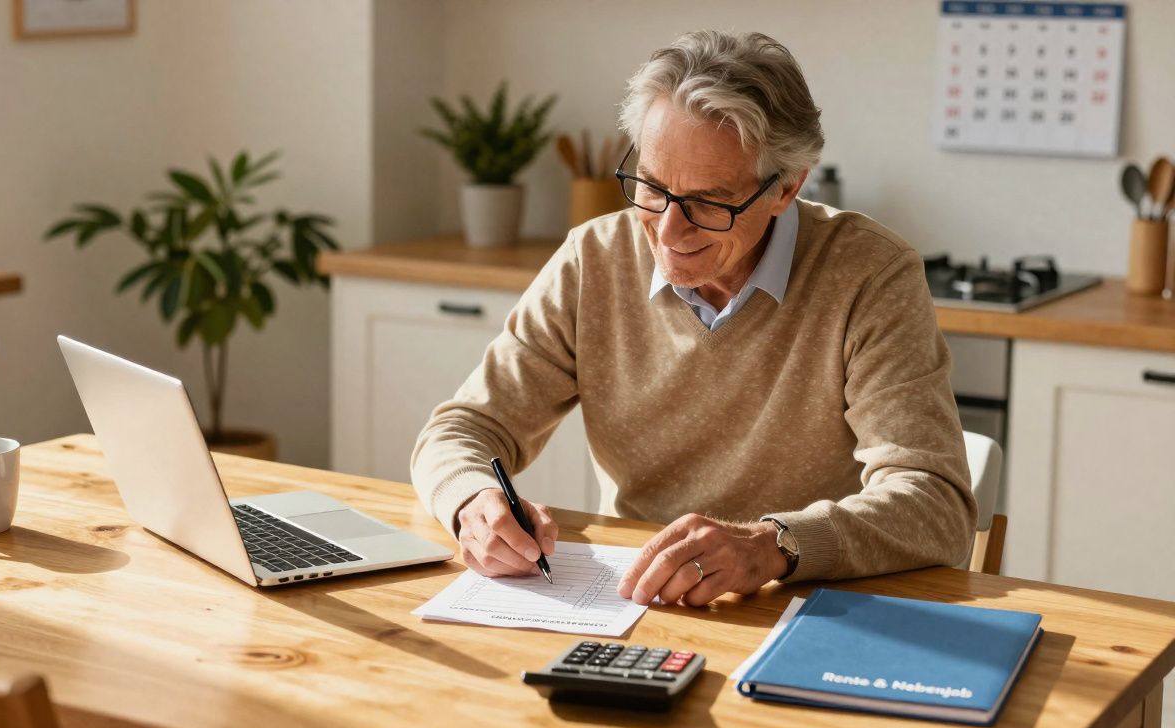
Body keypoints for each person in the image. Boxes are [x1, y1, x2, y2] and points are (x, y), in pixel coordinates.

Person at [411, 30, 975, 607]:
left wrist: (773, 543)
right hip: (634, 600)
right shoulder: (594, 259)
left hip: (805, 606)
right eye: (652, 188)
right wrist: (472, 503)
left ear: (787, 188)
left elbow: (935, 503)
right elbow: (460, 432)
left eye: (709, 202)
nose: (669, 231)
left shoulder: (870, 275)